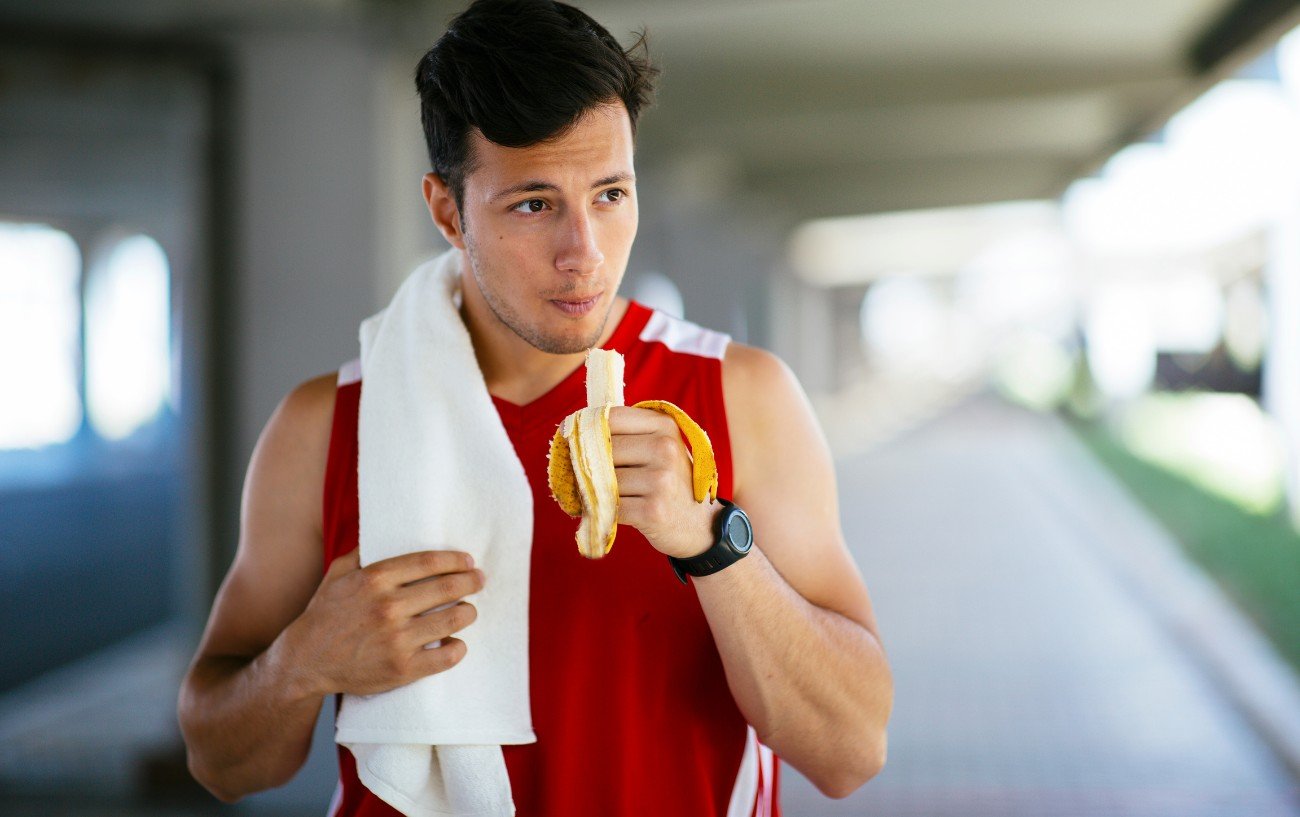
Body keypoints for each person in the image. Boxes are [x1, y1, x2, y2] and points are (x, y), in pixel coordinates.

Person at [177, 1, 893, 814]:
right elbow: (220, 760)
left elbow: (851, 750)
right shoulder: (325, 425)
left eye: (611, 194)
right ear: (447, 211)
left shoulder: (741, 396)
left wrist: (709, 542)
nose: (583, 252)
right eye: (533, 204)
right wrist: (304, 659)